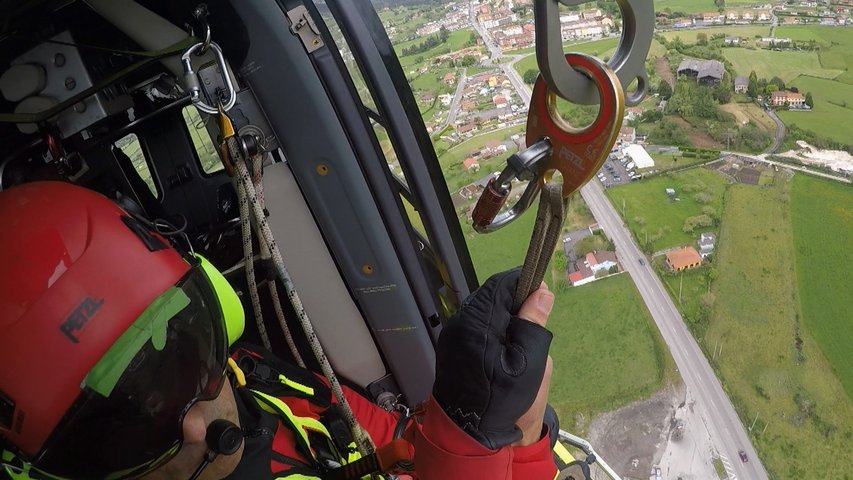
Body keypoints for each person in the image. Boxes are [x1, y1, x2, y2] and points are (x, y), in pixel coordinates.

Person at [0, 181, 557, 480]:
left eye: (177, 360)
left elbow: (387, 442)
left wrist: (511, 431)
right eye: (124, 423)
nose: (194, 425)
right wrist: (471, 445)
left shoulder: (250, 380)